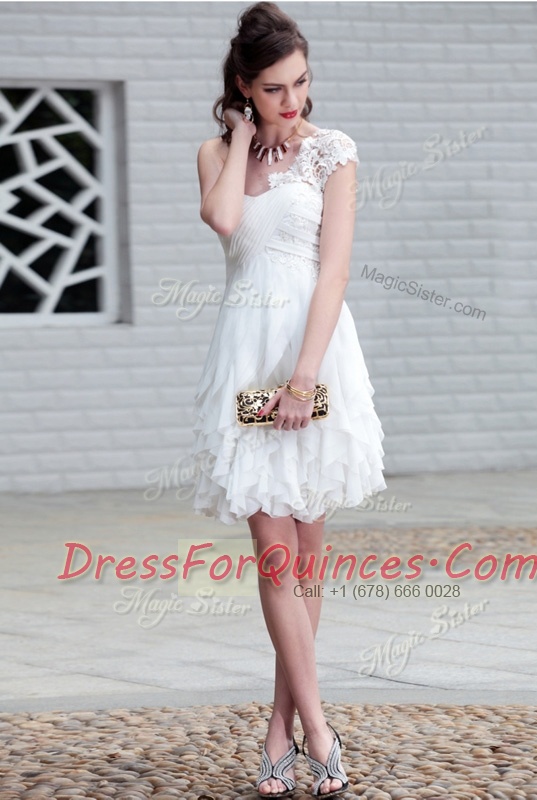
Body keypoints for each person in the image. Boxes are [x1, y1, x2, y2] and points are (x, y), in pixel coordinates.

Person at [190, 2, 386, 796]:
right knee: (273, 552)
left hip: (316, 357)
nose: (293, 101)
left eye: (301, 83)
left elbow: (333, 272)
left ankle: (280, 733)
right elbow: (222, 218)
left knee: (307, 559)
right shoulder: (217, 152)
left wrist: (305, 379)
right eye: (274, 88)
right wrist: (243, 137)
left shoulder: (332, 152)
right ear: (244, 86)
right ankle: (320, 729)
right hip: (246, 361)